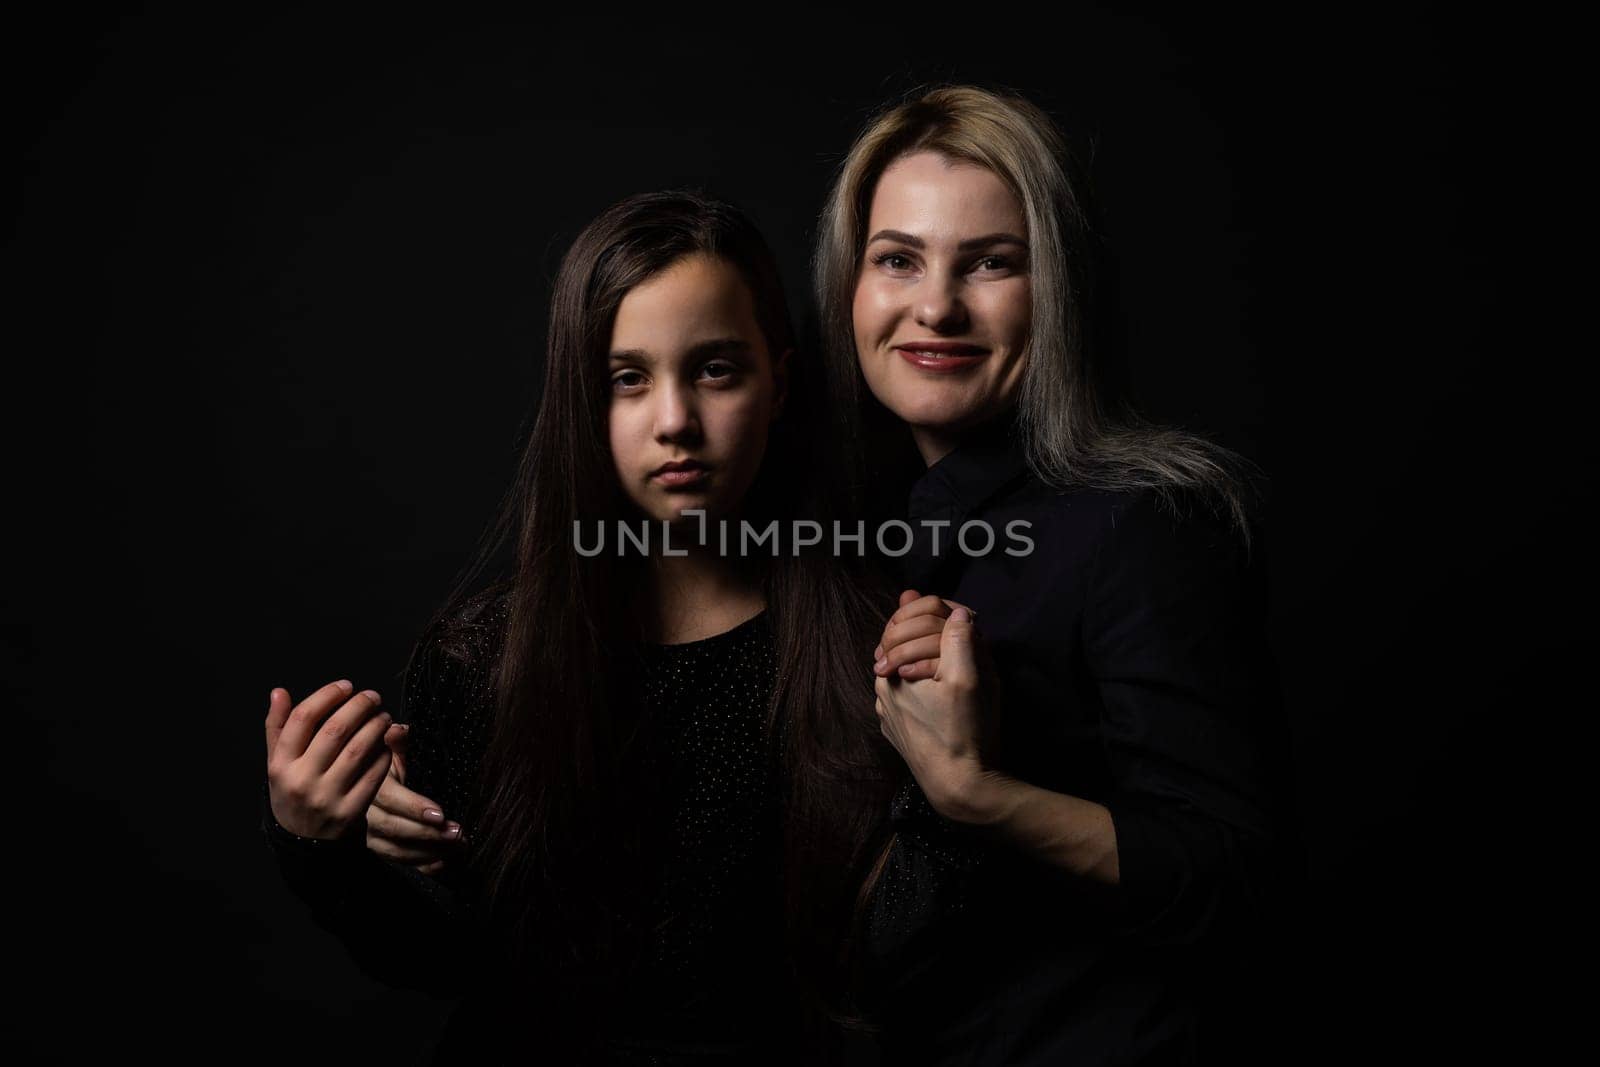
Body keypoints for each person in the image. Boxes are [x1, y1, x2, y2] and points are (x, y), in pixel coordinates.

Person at [260, 190, 898, 1065]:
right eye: (625, 379)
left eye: (715, 368)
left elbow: (910, 958)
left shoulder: (876, 645)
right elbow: (447, 957)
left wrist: (968, 784)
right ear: (581, 403)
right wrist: (317, 841)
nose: (674, 420)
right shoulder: (487, 657)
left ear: (778, 382)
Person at [814, 85, 1299, 1065]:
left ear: (1057, 289)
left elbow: (1240, 879)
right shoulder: (848, 530)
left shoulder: (1142, 522)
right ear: (849, 287)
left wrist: (979, 792)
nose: (936, 305)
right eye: (897, 258)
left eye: (992, 263)